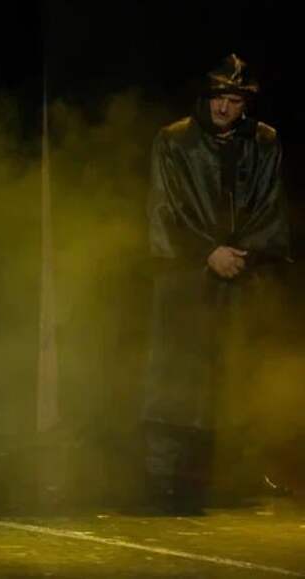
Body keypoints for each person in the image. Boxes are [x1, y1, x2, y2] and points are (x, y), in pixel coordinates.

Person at [144, 54, 291, 513]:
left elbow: (270, 204)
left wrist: (241, 254)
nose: (224, 108)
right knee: (178, 372)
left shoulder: (263, 142)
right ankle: (166, 479)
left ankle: (234, 476)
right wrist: (207, 251)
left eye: (234, 100)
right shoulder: (175, 141)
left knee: (236, 372)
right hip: (187, 272)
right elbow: (165, 208)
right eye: (218, 98)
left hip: (241, 272)